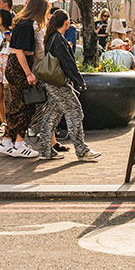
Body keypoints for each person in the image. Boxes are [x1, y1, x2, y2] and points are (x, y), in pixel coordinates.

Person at [33, 9, 99, 161]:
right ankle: (82, 151)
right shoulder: (59, 39)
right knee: (75, 112)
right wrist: (79, 81)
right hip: (59, 83)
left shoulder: (51, 37)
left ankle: (45, 150)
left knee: (51, 115)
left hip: (51, 82)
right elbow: (68, 63)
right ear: (67, 23)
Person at [0, 0, 49, 159]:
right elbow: (20, 52)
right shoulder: (26, 26)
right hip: (20, 66)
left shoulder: (22, 23)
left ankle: (7, 141)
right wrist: (28, 73)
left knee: (17, 105)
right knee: (26, 106)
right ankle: (19, 144)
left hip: (14, 66)